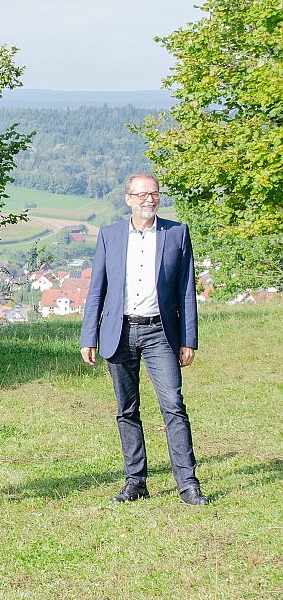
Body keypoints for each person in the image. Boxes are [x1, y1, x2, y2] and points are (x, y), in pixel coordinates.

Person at [80, 173, 207, 506]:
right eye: (142, 194)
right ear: (128, 199)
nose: (149, 199)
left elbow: (185, 290)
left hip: (160, 334)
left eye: (154, 194)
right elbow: (97, 289)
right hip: (119, 332)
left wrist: (188, 339)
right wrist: (88, 336)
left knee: (174, 407)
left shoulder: (176, 233)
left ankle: (188, 484)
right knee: (126, 410)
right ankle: (135, 481)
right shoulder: (110, 235)